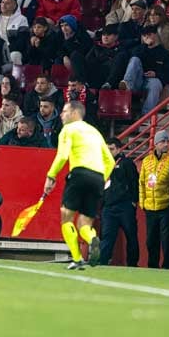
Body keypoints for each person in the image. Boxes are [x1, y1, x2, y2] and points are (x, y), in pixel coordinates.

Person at [43, 101, 115, 270]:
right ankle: (92, 240)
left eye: (65, 111)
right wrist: (101, 178)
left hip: (79, 174)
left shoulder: (68, 129)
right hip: (98, 178)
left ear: (75, 113)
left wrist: (50, 176)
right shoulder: (95, 132)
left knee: (66, 217)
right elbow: (110, 161)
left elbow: (62, 156)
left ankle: (77, 258)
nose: (61, 115)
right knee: (85, 223)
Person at [98, 137, 139, 267]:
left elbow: (134, 183)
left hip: (125, 205)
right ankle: (102, 262)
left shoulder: (127, 163)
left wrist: (133, 201)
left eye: (111, 149)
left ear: (119, 149)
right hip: (108, 207)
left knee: (131, 236)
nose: (109, 152)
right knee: (107, 236)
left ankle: (132, 264)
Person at [139, 130, 169, 269]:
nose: (166, 144)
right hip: (150, 207)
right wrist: (142, 202)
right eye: (163, 142)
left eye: (167, 141)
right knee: (151, 240)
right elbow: (141, 183)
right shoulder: (146, 161)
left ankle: (168, 266)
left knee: (167, 240)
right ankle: (152, 265)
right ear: (155, 144)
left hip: (166, 207)